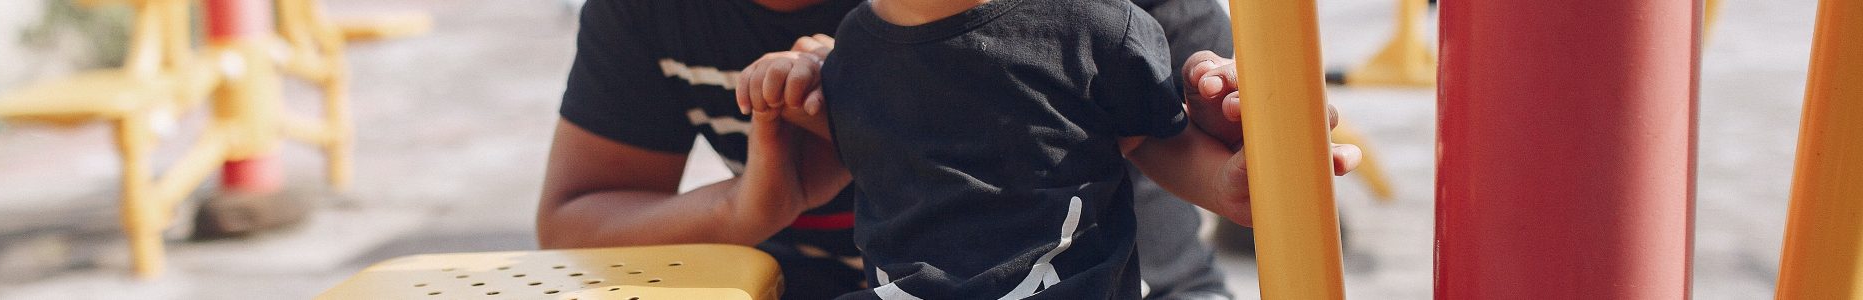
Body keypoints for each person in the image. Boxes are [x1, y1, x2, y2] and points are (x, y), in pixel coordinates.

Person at [537, 0, 1360, 299]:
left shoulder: (1096, 21)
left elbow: (1166, 147)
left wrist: (1246, 170)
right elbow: (574, 218)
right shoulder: (854, 48)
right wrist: (748, 204)